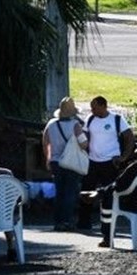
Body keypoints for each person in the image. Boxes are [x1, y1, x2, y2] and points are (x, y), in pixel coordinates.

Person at [80, 96, 135, 229]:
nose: (92, 110)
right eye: (91, 107)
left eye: (94, 107)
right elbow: (84, 135)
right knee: (86, 191)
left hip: (110, 162)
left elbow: (129, 137)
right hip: (92, 161)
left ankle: (108, 224)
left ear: (103, 106)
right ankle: (84, 222)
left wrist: (124, 157)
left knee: (108, 194)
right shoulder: (90, 119)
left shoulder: (117, 119)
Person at [43, 97, 88, 232]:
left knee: (59, 192)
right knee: (70, 192)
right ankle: (67, 221)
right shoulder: (76, 125)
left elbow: (45, 142)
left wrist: (48, 158)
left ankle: (58, 221)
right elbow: (83, 144)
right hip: (70, 163)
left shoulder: (51, 124)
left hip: (56, 162)